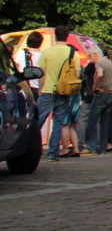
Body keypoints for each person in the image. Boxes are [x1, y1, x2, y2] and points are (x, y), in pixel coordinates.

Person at [36, 26, 83, 161]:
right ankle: (53, 153)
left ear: (55, 36)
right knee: (58, 123)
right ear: (67, 36)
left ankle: (30, 147)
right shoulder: (72, 53)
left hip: (48, 90)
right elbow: (77, 74)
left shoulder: (47, 52)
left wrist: (41, 89)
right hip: (64, 92)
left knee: (37, 122)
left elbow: (42, 74)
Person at [87, 48, 112, 154]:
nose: (89, 59)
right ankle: (103, 147)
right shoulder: (110, 62)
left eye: (89, 56)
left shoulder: (99, 63)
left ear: (95, 54)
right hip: (111, 93)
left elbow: (99, 74)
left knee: (92, 120)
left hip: (102, 93)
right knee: (105, 121)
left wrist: (95, 85)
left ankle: (91, 147)